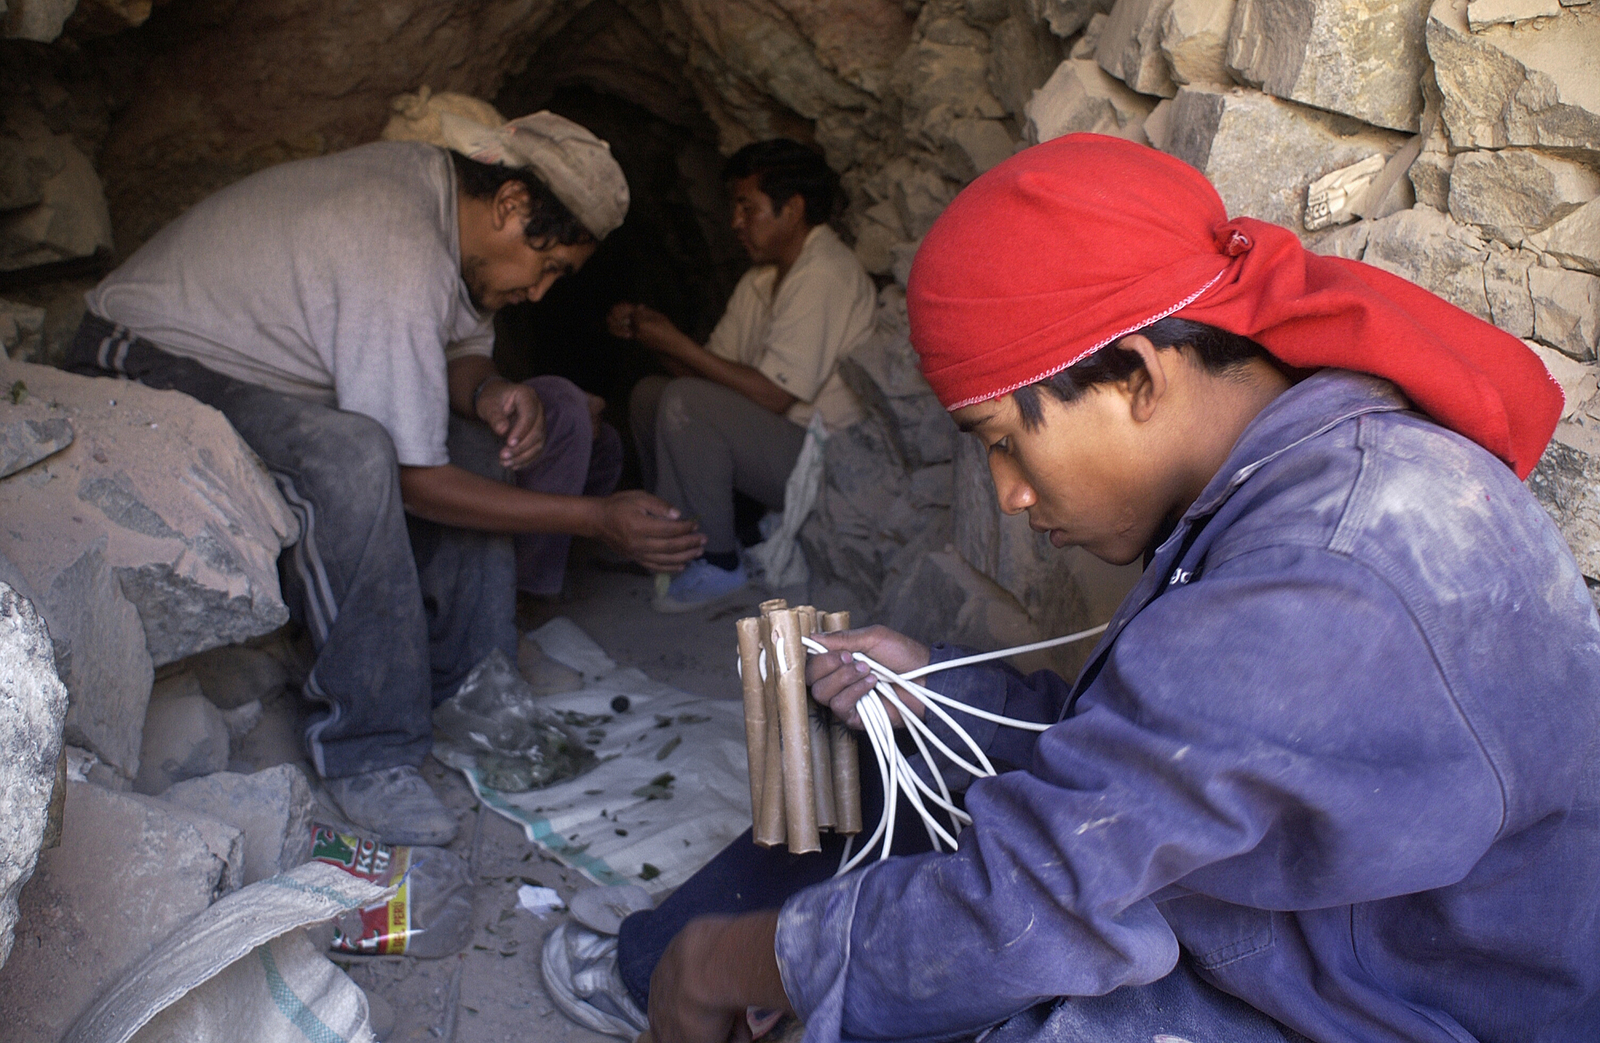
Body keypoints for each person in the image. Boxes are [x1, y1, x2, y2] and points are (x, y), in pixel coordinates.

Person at [549, 135, 1600, 1042]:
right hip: (1298, 934)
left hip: (1376, 1003)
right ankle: (662, 959)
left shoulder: (1327, 568)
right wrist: (941, 698)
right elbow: (1149, 754)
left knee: (972, 967)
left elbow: (1035, 901)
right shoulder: (1291, 477)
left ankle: (673, 970)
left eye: (1005, 443)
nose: (1007, 495)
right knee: (910, 771)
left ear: (1138, 377)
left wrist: (735, 959)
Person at [64, 111, 705, 845]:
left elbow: (462, 357)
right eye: (552, 266)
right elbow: (413, 481)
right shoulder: (397, 238)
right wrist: (593, 516)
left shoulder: (451, 227)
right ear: (511, 208)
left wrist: (491, 392)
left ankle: (473, 691)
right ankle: (365, 750)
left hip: (253, 367)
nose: (542, 292)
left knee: (479, 448)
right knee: (352, 457)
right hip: (141, 356)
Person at [608, 139, 875, 613]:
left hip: (819, 457)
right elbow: (706, 373)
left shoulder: (826, 272)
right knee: (652, 395)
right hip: (773, 444)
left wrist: (677, 343)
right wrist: (653, 337)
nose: (735, 222)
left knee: (686, 402)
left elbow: (773, 396)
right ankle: (669, 547)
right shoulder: (760, 281)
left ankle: (717, 561)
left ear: (792, 210)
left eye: (747, 208)